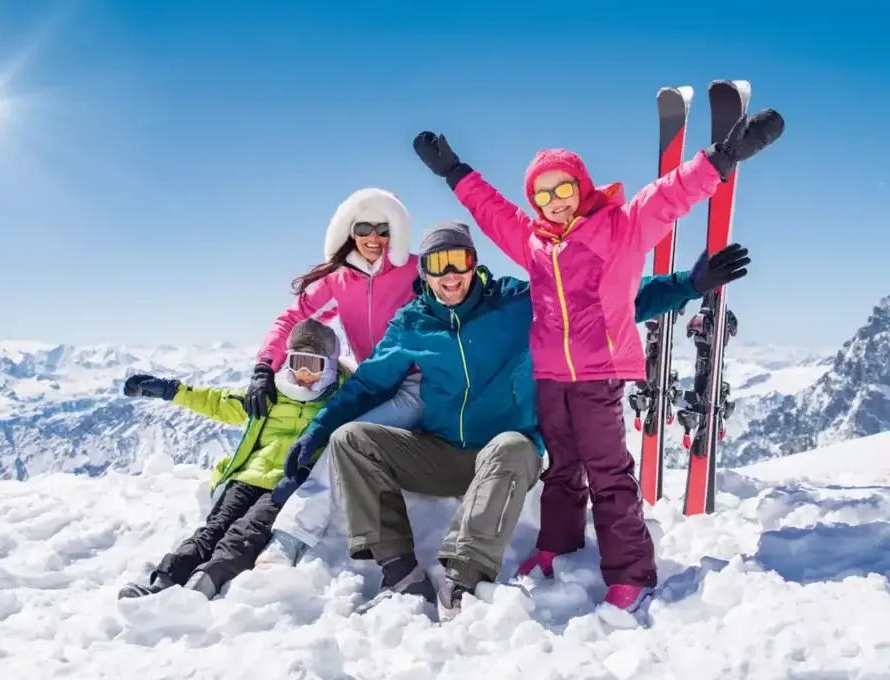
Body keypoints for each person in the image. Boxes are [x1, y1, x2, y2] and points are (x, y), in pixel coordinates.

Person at [411, 109, 781, 618]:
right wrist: (454, 171)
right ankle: (557, 545)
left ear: (581, 185)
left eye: (562, 188)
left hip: (599, 375)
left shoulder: (620, 226)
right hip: (550, 375)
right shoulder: (533, 242)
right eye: (541, 194)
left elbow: (670, 195)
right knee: (561, 470)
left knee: (608, 475)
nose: (554, 201)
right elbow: (491, 210)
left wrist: (722, 158)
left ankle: (632, 572)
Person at [279, 221, 727, 622]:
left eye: (460, 261)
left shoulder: (516, 302)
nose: (450, 275)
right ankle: (400, 573)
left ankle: (464, 578)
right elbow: (367, 386)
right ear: (425, 272)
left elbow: (599, 306)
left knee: (512, 445)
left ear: (474, 263)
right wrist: (318, 429)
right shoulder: (412, 324)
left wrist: (688, 284)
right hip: (441, 451)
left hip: (507, 455)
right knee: (351, 439)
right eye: (438, 264)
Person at [246, 188, 428, 568]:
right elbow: (293, 318)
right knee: (320, 428)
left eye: (383, 228)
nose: (374, 238)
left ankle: (289, 538)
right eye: (365, 228)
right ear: (350, 230)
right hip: (373, 383)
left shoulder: (415, 271)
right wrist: (266, 364)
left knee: (342, 440)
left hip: (415, 384)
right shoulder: (339, 280)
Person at [115, 319, 349, 601]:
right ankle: (164, 581)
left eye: (312, 365)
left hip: (285, 485)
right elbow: (217, 402)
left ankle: (205, 583)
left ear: (330, 367)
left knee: (245, 534)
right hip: (246, 478)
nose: (302, 373)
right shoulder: (271, 394)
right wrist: (170, 390)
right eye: (296, 361)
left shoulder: (338, 403)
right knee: (213, 529)